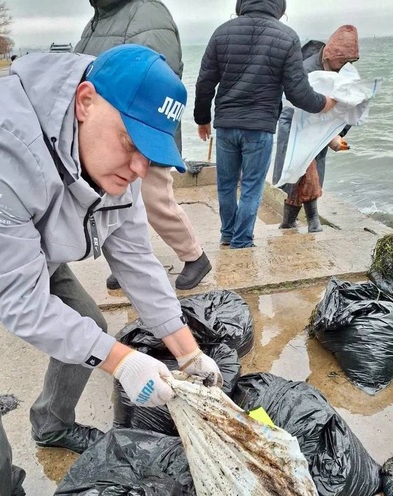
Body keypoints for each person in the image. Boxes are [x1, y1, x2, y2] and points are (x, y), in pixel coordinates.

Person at [0, 45, 222, 496]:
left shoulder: (117, 162)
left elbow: (136, 257)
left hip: (25, 244)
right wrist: (122, 361)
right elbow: (20, 302)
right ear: (85, 102)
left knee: (88, 328)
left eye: (152, 153)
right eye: (130, 143)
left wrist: (186, 353)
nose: (139, 168)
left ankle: (51, 423)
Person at [75, 0, 211, 290]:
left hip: (140, 136)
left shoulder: (148, 13)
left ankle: (195, 256)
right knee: (113, 204)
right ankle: (128, 261)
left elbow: (160, 83)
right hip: (104, 136)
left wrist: (142, 139)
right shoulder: (99, 18)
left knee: (156, 201)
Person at [194, 0, 336, 249]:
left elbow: (205, 82)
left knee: (226, 184)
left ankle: (228, 235)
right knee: (251, 186)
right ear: (278, 6)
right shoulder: (287, 36)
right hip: (259, 127)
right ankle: (242, 240)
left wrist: (202, 119)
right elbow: (297, 92)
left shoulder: (222, 32)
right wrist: (324, 103)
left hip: (226, 124)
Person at [273, 25, 359, 232]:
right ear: (330, 54)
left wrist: (338, 133)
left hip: (323, 127)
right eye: (342, 60)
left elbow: (348, 103)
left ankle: (292, 221)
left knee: (308, 171)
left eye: (350, 61)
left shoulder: (345, 72)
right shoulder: (307, 68)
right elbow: (298, 100)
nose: (345, 64)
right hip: (295, 121)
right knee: (300, 169)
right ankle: (312, 221)